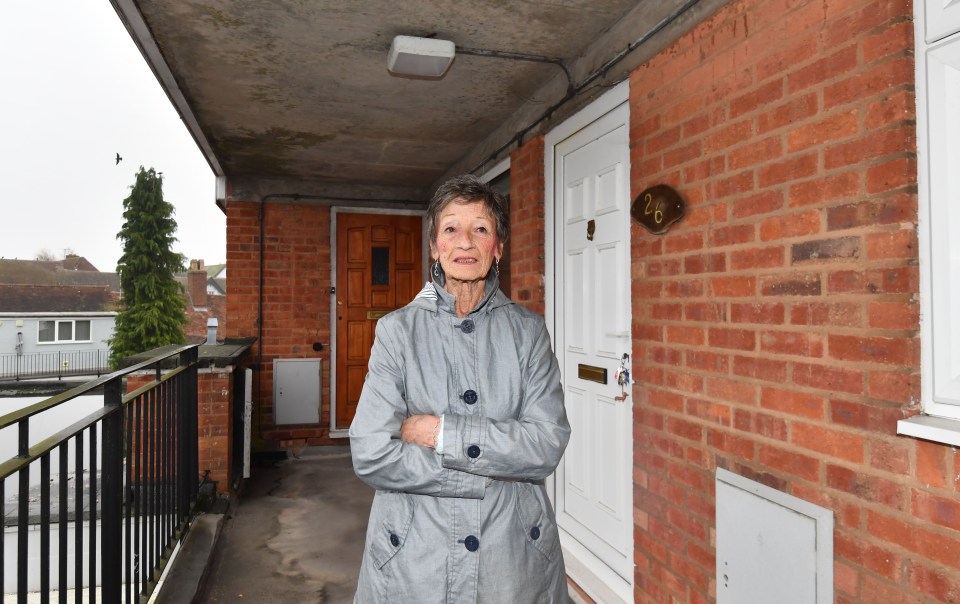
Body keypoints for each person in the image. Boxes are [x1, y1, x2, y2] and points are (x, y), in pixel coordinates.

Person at [349, 174, 571, 603]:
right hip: (415, 559)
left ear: (498, 247)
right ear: (436, 246)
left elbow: (546, 444)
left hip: (512, 559)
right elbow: (371, 452)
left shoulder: (528, 333)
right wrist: (486, 472)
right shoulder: (397, 332)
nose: (465, 241)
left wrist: (440, 434)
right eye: (451, 228)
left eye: (481, 229)